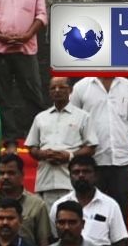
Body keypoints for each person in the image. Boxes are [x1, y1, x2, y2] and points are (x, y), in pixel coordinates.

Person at [0, 0, 45, 152]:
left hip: (26, 48)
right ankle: (10, 140)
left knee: (33, 95)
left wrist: (28, 35)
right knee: (2, 97)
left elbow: (42, 15)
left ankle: (36, 139)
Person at [69, 76, 128, 224]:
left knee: (120, 214)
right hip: (92, 163)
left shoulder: (126, 85)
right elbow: (72, 120)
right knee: (91, 213)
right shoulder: (82, 86)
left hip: (121, 161)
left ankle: (119, 240)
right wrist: (86, 146)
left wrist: (121, 140)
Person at [25, 77, 98, 209]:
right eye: (53, 88)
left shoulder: (83, 116)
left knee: (72, 218)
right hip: (45, 181)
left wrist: (69, 156)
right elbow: (31, 147)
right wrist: (42, 154)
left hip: (71, 183)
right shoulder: (40, 117)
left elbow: (91, 147)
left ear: (70, 90)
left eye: (62, 87)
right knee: (48, 221)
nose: (57, 91)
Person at [48, 156, 128, 246]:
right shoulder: (59, 205)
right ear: (70, 176)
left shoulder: (110, 205)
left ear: (96, 175)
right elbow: (54, 240)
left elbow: (120, 244)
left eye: (86, 171)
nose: (81, 175)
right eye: (76, 172)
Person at [0, 153, 51, 246]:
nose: (5, 177)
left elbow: (43, 241)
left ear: (22, 175)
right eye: (2, 173)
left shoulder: (37, 205)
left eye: (11, 173)